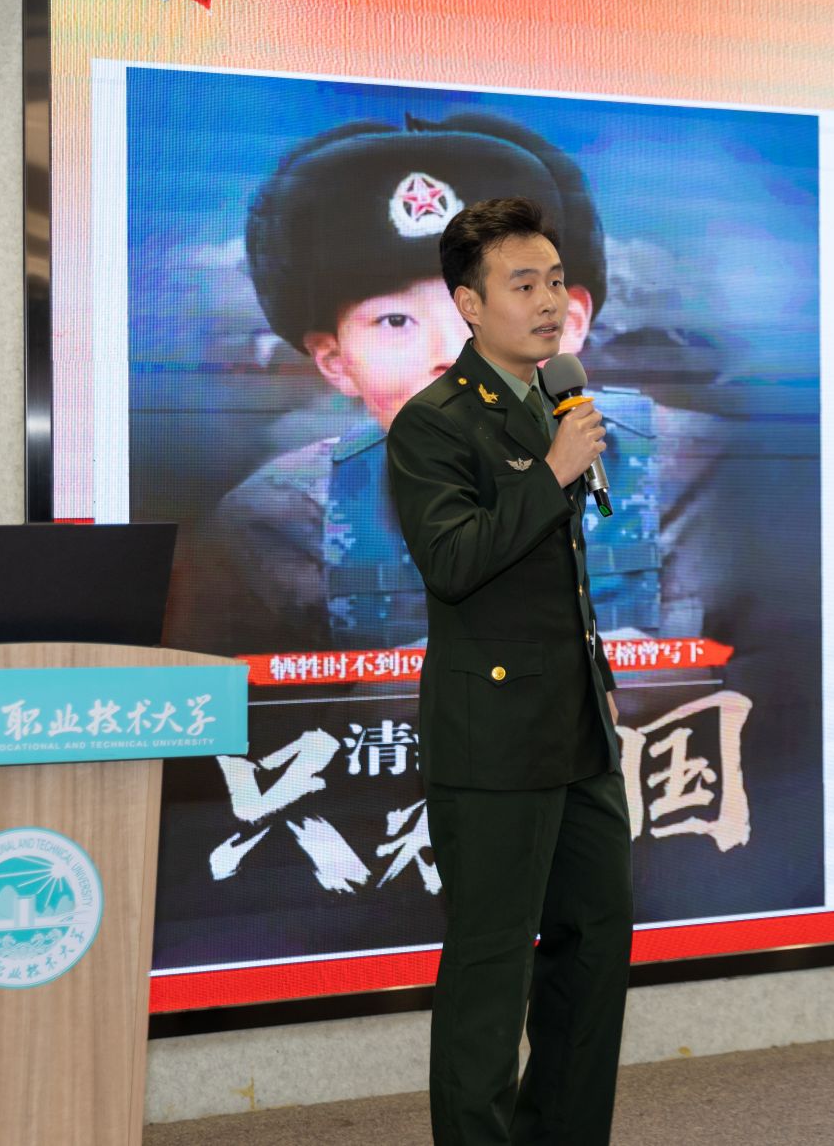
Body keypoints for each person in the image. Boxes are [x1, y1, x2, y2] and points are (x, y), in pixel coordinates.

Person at [162, 112, 663, 659]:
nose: (451, 356)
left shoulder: (701, 484)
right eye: (395, 321)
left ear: (568, 323)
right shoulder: (279, 523)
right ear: (335, 360)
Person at [387, 196, 632, 1145]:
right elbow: (452, 561)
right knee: (492, 969)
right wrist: (553, 470)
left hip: (578, 729)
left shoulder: (556, 399)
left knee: (594, 950)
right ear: (469, 303)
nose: (550, 302)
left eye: (557, 281)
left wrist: (561, 458)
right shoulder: (433, 422)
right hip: (492, 740)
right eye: (523, 284)